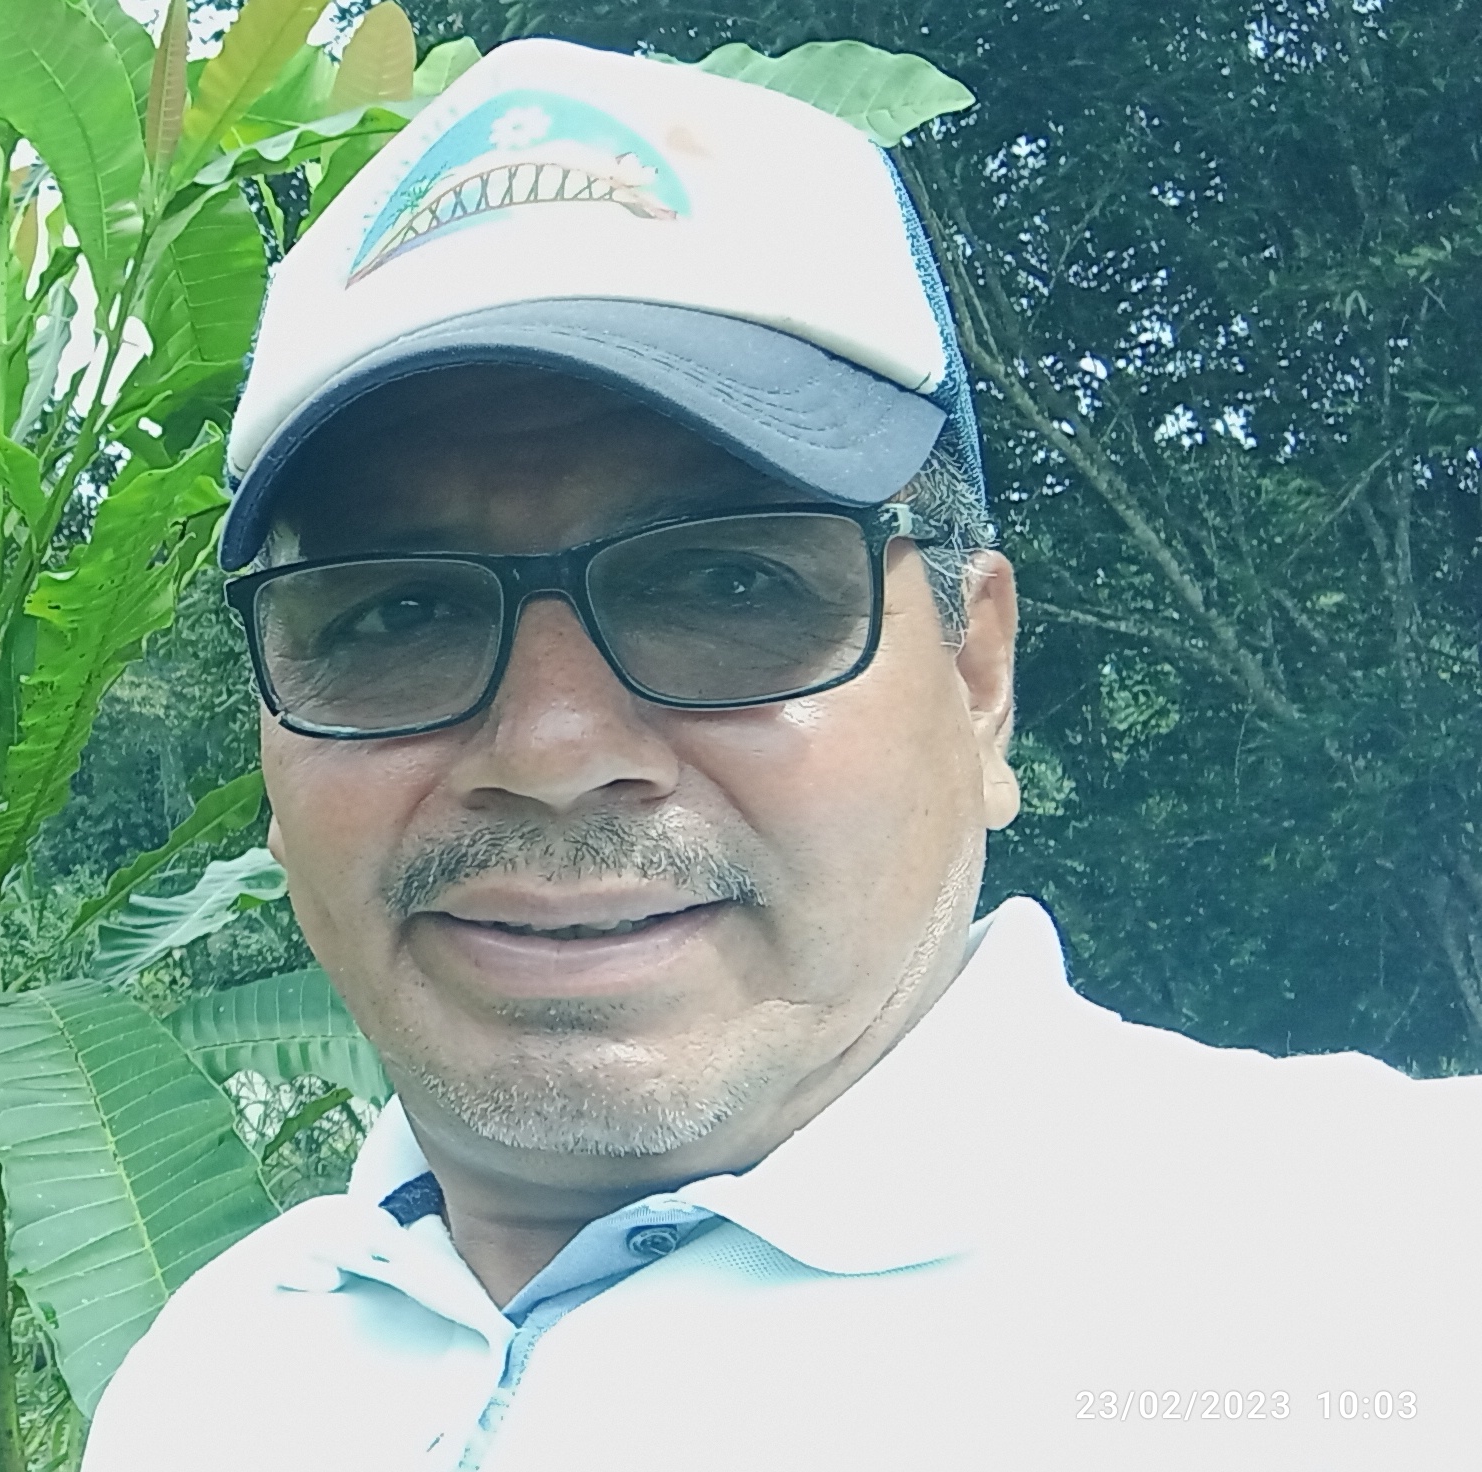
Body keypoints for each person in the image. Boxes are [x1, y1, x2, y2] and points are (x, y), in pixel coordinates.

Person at [81, 37, 1481, 1472]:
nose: (553, 750)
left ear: (979, 678)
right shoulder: (215, 1375)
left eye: (729, 587)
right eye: (400, 614)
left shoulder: (1384, 1287)